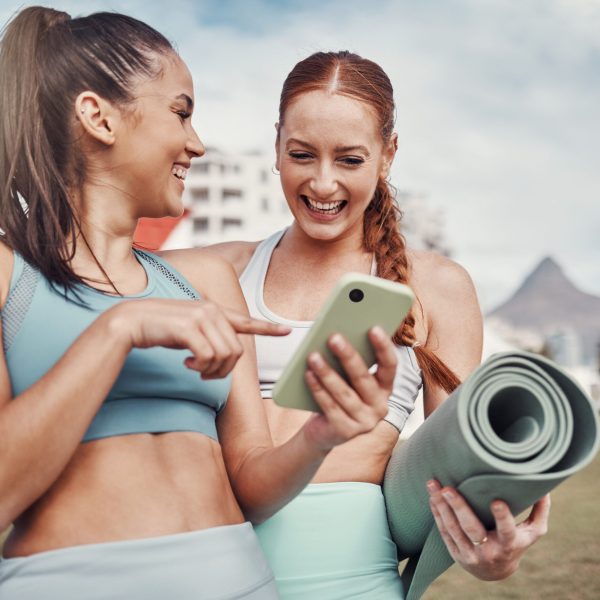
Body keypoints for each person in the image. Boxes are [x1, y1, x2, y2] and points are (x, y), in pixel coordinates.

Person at [0, 12, 399, 600]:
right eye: (181, 112)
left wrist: (320, 435)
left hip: (237, 581)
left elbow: (251, 484)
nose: (196, 142)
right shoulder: (10, 275)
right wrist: (117, 331)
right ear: (98, 116)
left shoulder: (205, 280)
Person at [204, 51, 552, 599]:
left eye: (349, 160)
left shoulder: (438, 287)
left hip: (352, 584)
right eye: (301, 154)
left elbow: (460, 469)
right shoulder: (219, 269)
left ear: (388, 155)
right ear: (276, 145)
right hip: (205, 574)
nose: (322, 183)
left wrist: (492, 557)